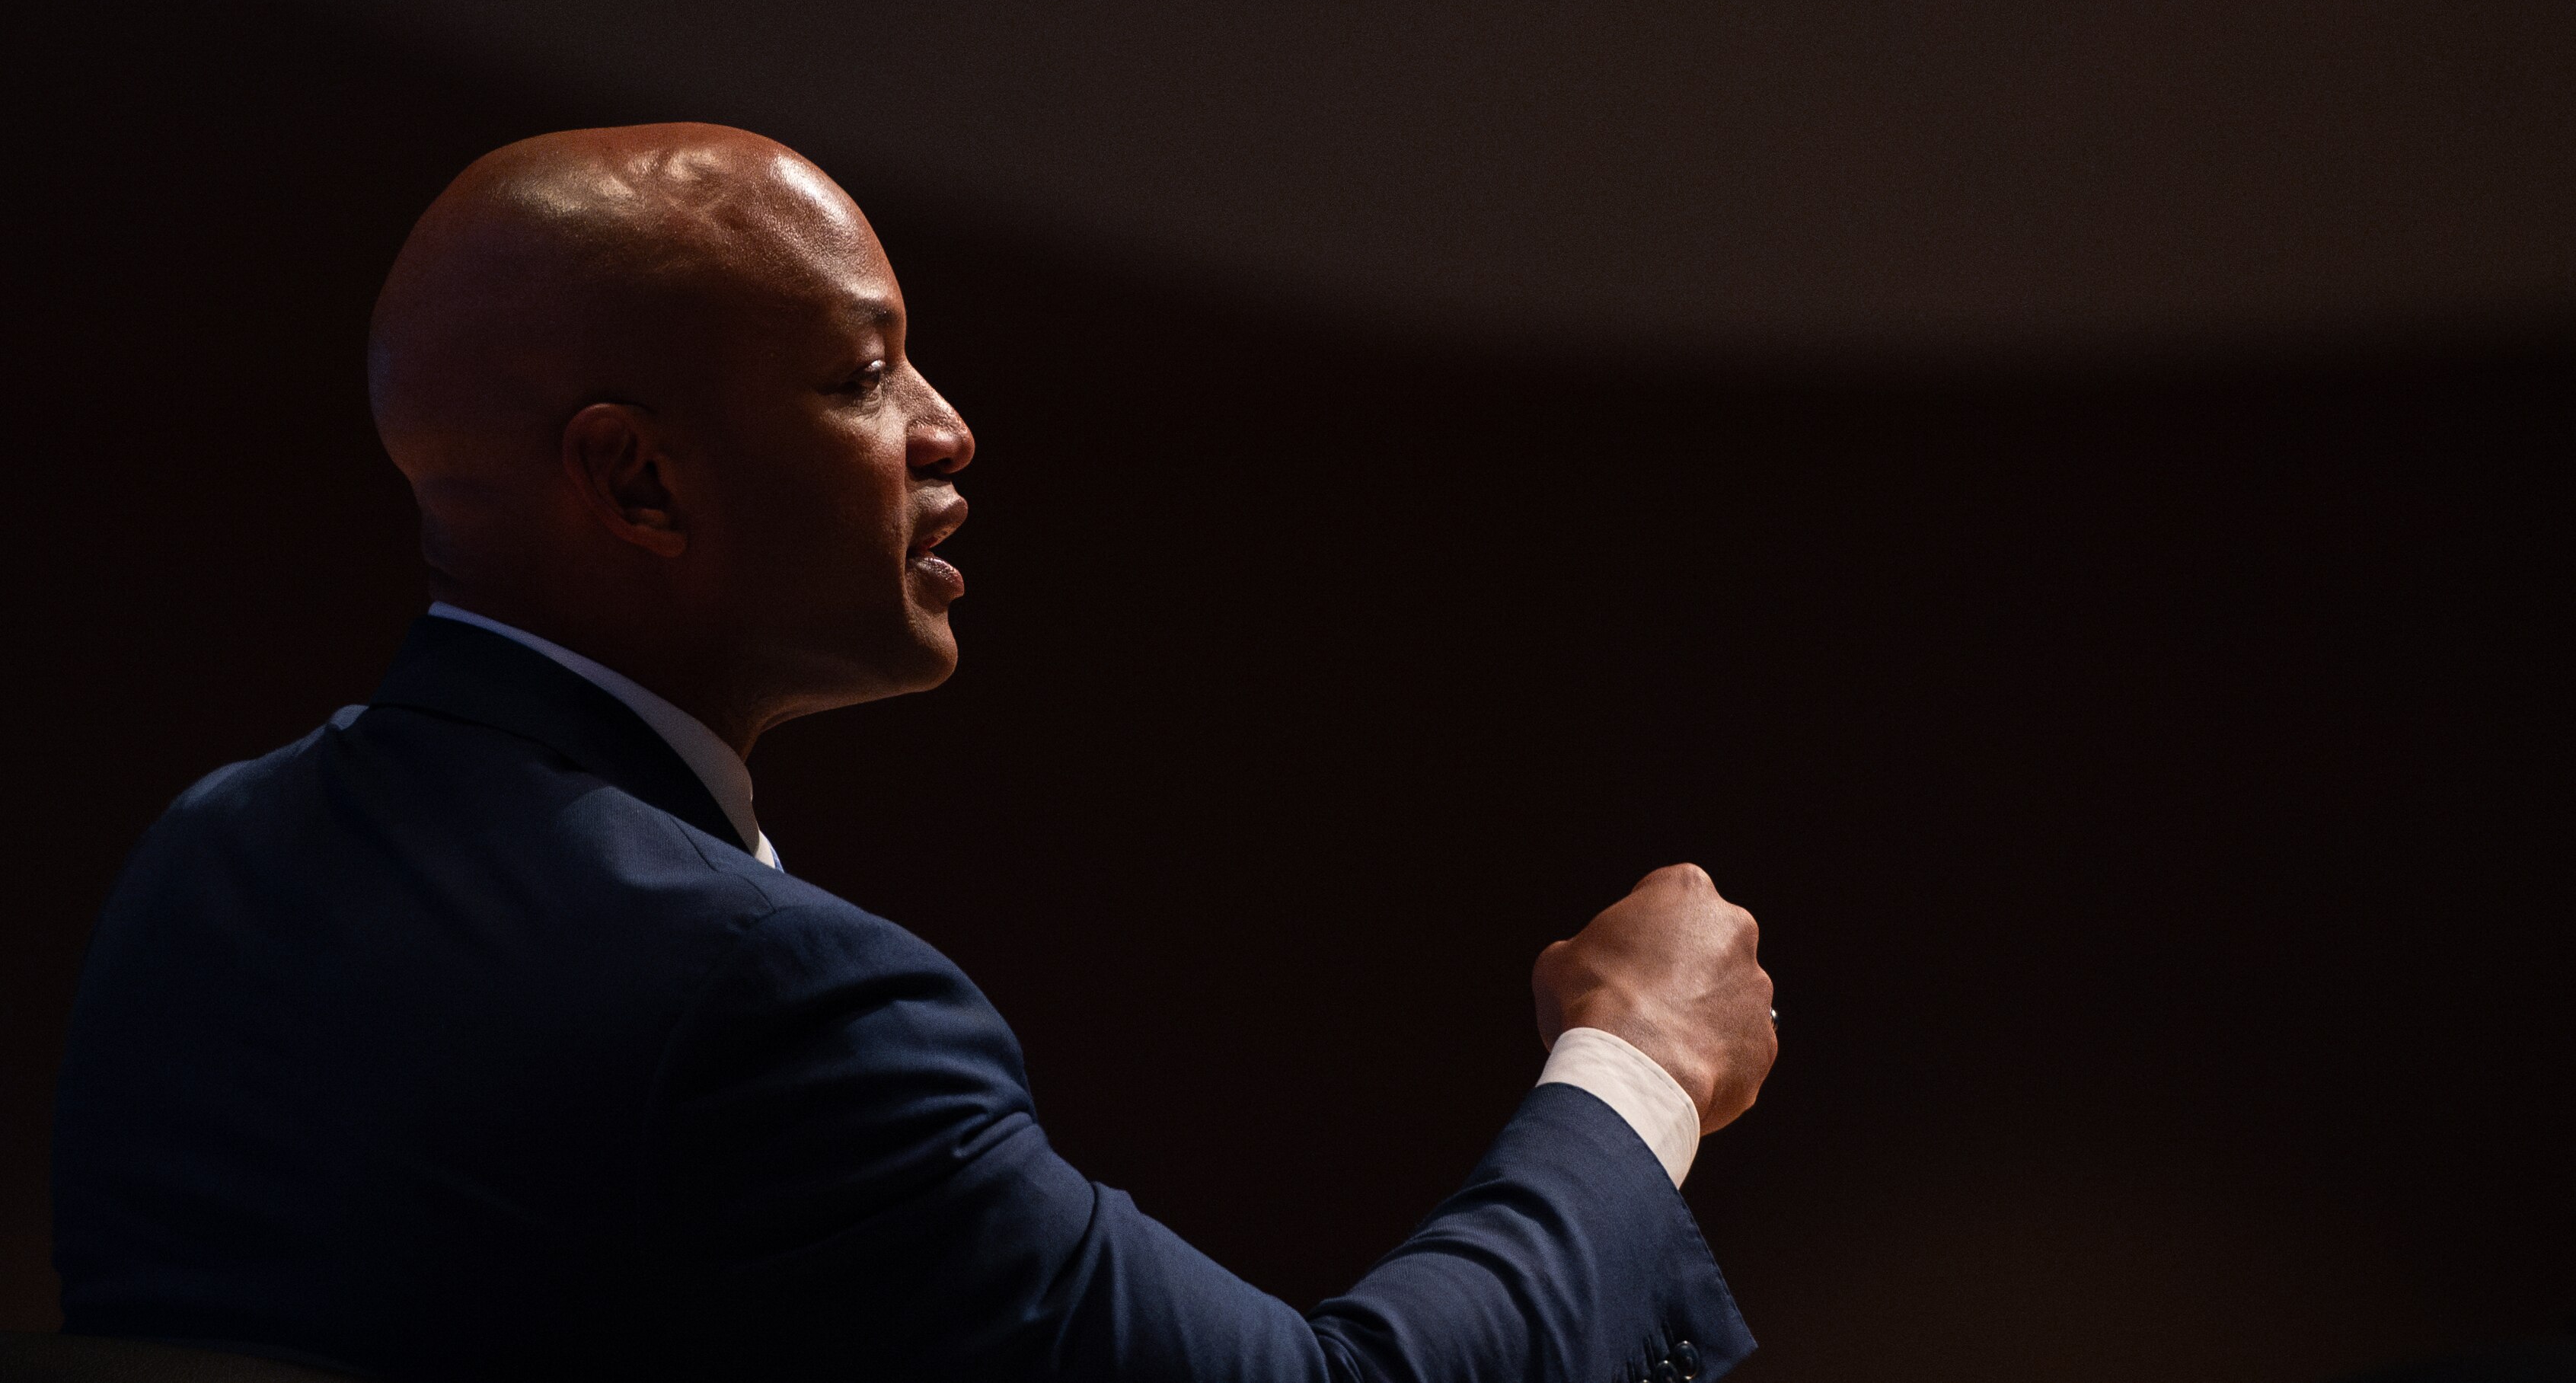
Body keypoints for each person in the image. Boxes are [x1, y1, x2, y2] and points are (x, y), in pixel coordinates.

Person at [51, 125, 1779, 1381]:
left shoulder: (208, 857)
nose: (947, 427)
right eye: (864, 374)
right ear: (638, 479)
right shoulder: (757, 990)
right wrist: (1636, 1063)